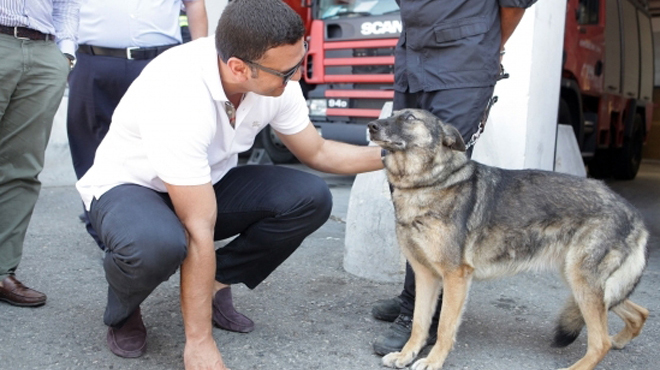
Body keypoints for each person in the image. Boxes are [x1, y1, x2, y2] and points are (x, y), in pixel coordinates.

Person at [75, 0, 382, 367]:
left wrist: (400, 157)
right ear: (238, 67)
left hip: (205, 180)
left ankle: (218, 280)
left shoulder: (274, 76)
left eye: (299, 63)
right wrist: (199, 343)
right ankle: (125, 306)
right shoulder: (179, 91)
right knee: (157, 245)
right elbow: (198, 228)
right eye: (287, 72)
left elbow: (318, 152)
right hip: (132, 186)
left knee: (310, 197)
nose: (297, 78)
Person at [371, 0, 538, 356]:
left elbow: (514, 3)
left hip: (463, 61)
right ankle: (413, 294)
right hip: (413, 59)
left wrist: (490, 47)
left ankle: (422, 316)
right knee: (402, 174)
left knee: (438, 188)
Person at [66, 0, 208, 249]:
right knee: (90, 149)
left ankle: (170, 233)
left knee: (170, 146)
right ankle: (106, 237)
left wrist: (200, 57)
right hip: (93, 60)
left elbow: (194, 3)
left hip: (160, 60)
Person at [0, 0, 80, 307]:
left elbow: (67, 3)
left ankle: (2, 270)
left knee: (21, 168)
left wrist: (66, 53)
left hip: (44, 52)